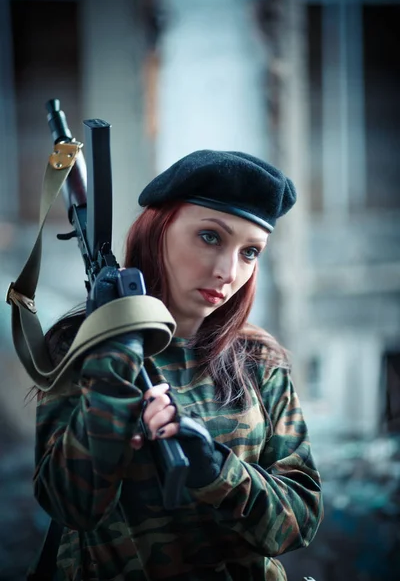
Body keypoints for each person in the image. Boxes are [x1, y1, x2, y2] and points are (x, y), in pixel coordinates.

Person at [33, 150, 323, 581]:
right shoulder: (83, 345)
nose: (228, 271)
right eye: (210, 237)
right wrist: (113, 359)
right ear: (159, 230)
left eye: (249, 253)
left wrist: (217, 470)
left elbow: (302, 518)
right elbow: (69, 505)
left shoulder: (258, 359)